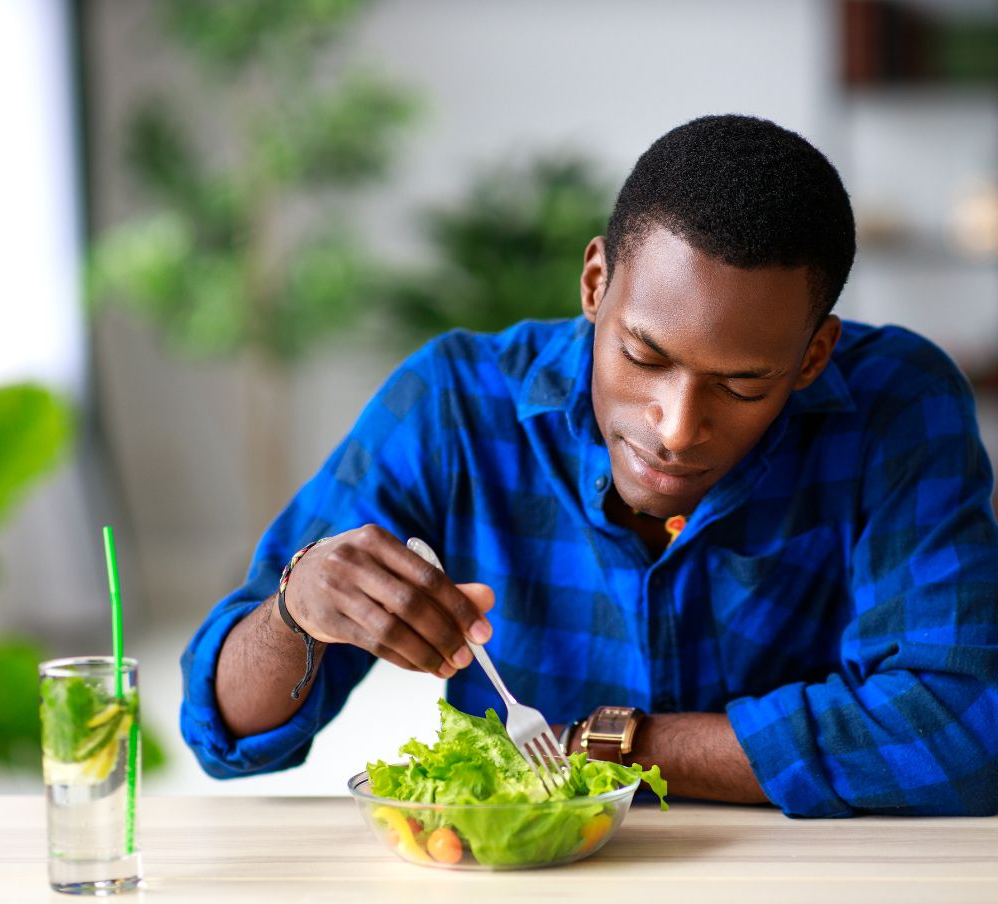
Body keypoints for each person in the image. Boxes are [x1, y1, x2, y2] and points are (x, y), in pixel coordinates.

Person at [181, 114, 998, 818]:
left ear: (815, 354)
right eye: (644, 354)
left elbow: (966, 726)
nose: (677, 428)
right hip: (522, 894)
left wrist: (616, 748)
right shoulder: (456, 403)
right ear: (596, 281)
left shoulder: (897, 404)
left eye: (744, 383)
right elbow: (224, 737)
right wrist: (297, 612)